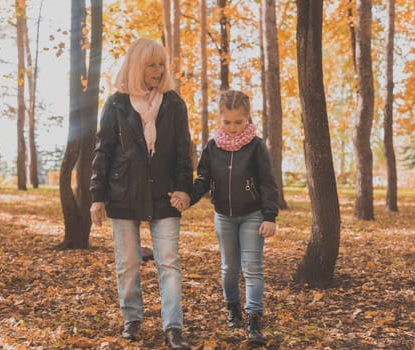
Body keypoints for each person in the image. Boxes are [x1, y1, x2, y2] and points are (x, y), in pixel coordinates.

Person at [89, 38, 192, 350]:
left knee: (169, 262)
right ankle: (132, 318)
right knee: (129, 262)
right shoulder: (116, 104)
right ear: (136, 67)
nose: (159, 70)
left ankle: (173, 327)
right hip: (123, 195)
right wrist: (97, 195)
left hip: (165, 195)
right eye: (151, 65)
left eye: (161, 64)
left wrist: (185, 189)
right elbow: (103, 152)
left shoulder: (174, 103)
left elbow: (183, 153)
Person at [171, 90, 278, 347]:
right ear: (220, 119)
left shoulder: (256, 147)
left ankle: (253, 319)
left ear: (247, 118)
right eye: (227, 122)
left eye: (238, 122)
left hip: (253, 216)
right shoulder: (212, 147)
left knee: (252, 268)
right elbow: (203, 180)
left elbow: (268, 184)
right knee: (229, 268)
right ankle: (233, 309)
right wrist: (188, 197)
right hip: (224, 217)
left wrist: (270, 216)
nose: (232, 128)